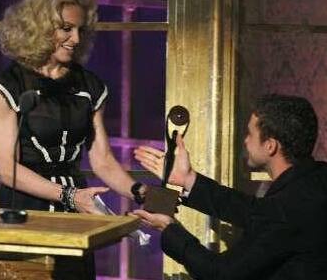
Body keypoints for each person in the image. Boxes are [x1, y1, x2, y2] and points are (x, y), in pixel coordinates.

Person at [0, 0, 144, 279]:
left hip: (75, 209)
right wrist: (69, 195)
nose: (75, 39)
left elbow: (102, 160)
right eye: (66, 29)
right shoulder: (8, 86)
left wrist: (139, 191)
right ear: (39, 27)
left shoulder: (90, 86)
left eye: (79, 30)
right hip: (24, 208)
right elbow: (7, 168)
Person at [133, 94, 327, 280]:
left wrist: (169, 228)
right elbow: (253, 211)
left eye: (250, 134)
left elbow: (220, 274)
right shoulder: (314, 181)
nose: (246, 140)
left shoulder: (285, 210)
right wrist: (188, 179)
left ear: (270, 146)